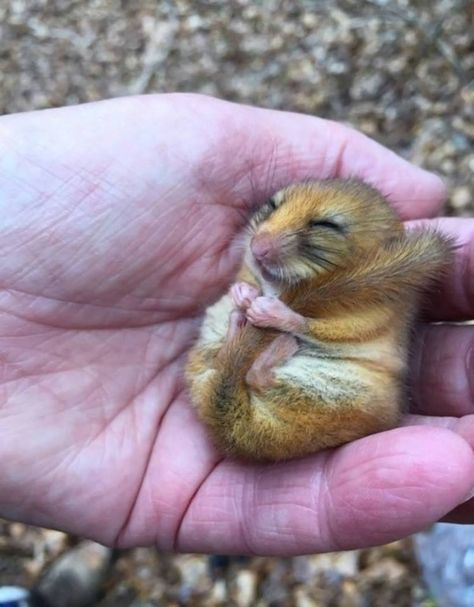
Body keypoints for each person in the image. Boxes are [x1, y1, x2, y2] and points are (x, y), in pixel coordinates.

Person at [0, 94, 472, 555]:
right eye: (271, 210)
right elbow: (252, 283)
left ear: (376, 251)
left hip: (310, 395)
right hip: (236, 384)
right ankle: (245, 364)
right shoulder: (270, 266)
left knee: (355, 391)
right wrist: (261, 309)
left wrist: (296, 324)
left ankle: (250, 367)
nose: (266, 241)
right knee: (233, 342)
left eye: (323, 230)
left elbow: (356, 335)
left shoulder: (376, 297)